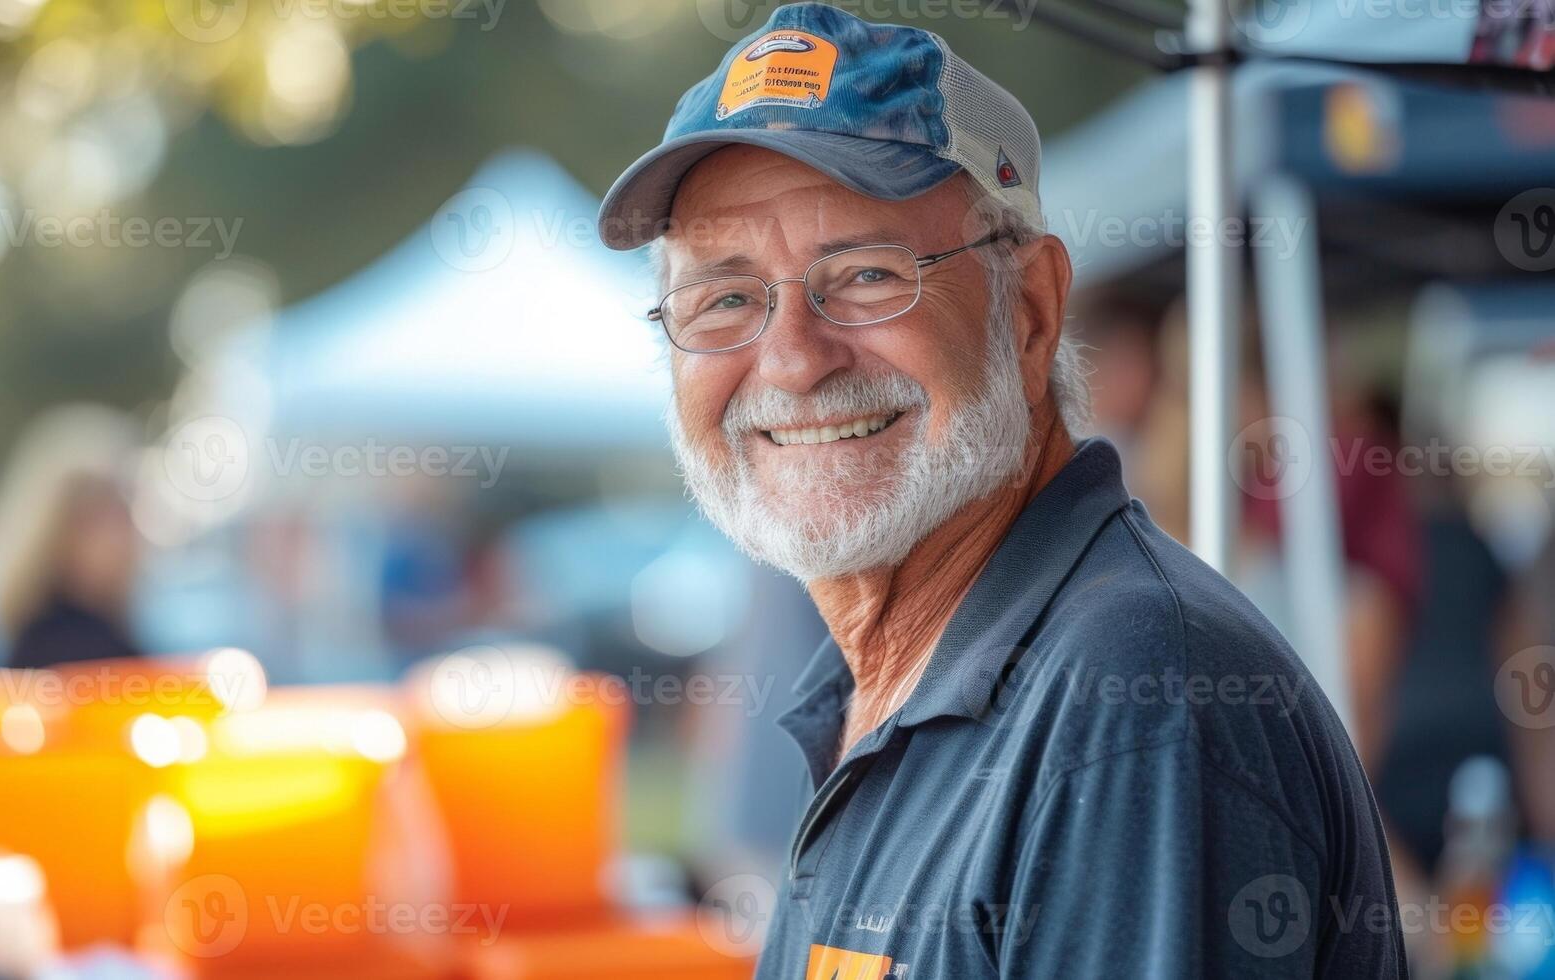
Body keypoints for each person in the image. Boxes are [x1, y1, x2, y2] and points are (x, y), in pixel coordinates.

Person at [595, 4, 1405, 976]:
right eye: (723, 297)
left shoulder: (1129, 697)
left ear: (1028, 312)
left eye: (862, 275)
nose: (793, 359)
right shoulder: (888, 687)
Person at [0, 405, 144, 670]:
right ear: (56, 530)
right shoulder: (80, 649)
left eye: (125, 508)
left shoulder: (27, 640)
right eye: (101, 515)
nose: (126, 530)